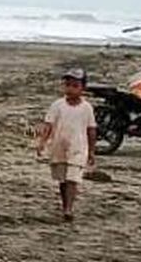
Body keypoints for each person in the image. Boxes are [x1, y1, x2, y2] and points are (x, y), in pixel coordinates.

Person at [36, 69, 96, 221]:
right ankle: (65, 205)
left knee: (73, 178)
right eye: (67, 85)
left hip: (78, 147)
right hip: (59, 146)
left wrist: (92, 151)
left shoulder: (87, 108)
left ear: (82, 88)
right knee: (62, 179)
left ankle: (69, 209)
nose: (70, 89)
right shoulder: (57, 105)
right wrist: (42, 142)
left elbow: (91, 130)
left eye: (75, 85)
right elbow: (48, 125)